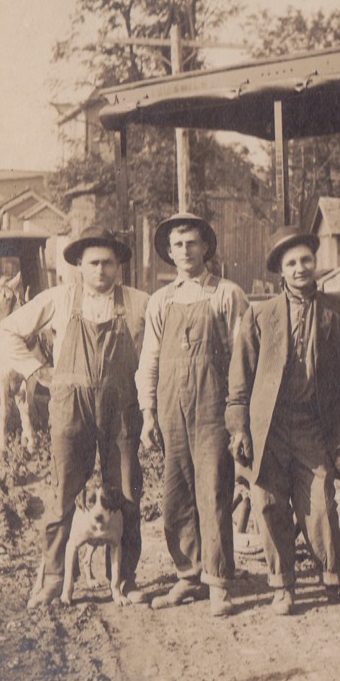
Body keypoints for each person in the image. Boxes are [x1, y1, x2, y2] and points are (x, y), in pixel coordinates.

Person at [0, 227, 150, 608]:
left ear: (118, 266)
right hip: (70, 409)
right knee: (64, 493)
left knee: (128, 492)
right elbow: (6, 331)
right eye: (93, 263)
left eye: (108, 263)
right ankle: (53, 579)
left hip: (121, 410)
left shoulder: (139, 303)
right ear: (79, 265)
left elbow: (158, 348)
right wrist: (37, 371)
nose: (101, 270)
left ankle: (126, 579)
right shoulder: (60, 299)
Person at [226, 226, 340, 615]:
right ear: (281, 271)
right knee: (269, 502)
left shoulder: (339, 311)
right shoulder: (260, 315)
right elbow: (240, 379)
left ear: (315, 263)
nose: (300, 268)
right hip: (268, 426)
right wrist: (239, 426)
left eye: (306, 259)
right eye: (291, 263)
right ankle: (282, 586)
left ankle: (335, 580)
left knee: (320, 499)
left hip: (311, 424)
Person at [138, 213, 248, 617]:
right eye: (178, 245)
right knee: (177, 492)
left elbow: (242, 357)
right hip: (170, 407)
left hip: (212, 405)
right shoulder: (161, 301)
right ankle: (188, 574)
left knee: (215, 489)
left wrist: (238, 412)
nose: (185, 251)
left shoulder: (226, 295)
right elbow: (149, 360)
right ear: (169, 252)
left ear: (206, 247)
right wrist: (148, 413)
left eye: (192, 243)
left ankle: (218, 581)